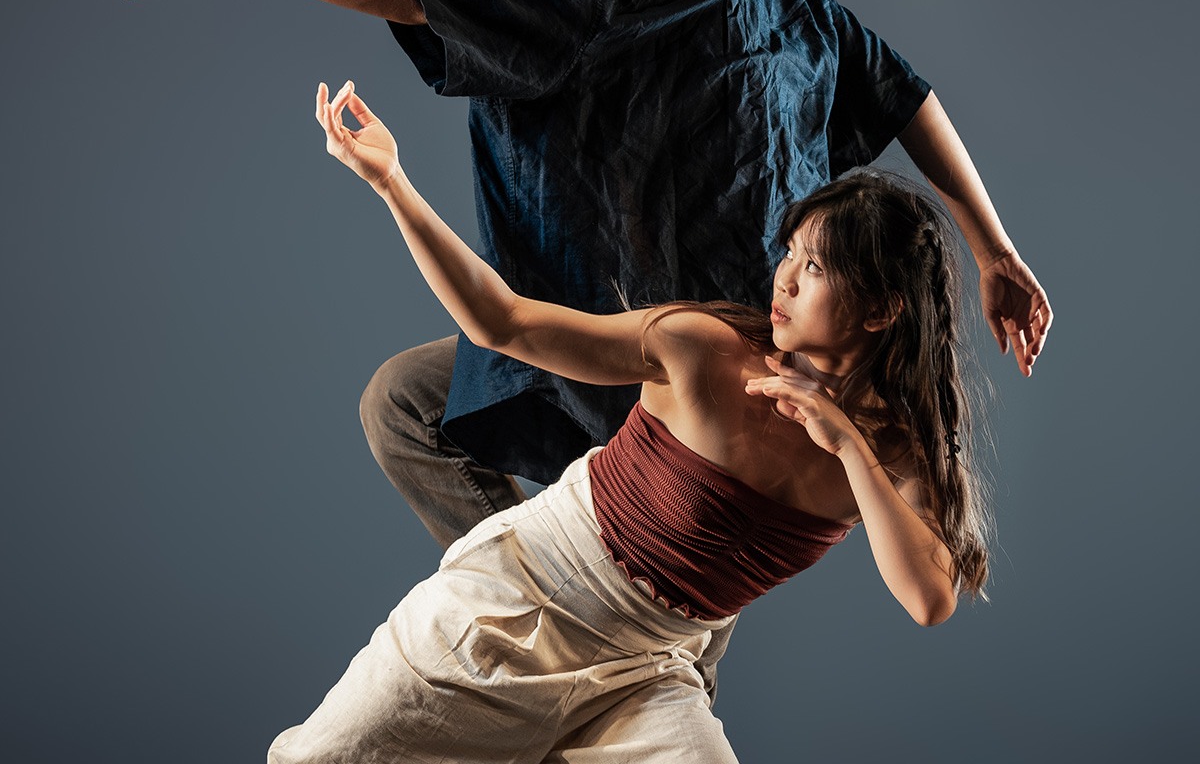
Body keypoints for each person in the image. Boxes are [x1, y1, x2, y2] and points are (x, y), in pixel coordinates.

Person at [83, 0, 1050, 567]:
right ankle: (569, 616)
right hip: (718, 361)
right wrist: (994, 250)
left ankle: (567, 619)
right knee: (417, 407)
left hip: (662, 364)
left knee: (457, 440)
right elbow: (907, 94)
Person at [267, 79, 992, 763]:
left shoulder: (896, 450)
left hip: (648, 668)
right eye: (791, 253)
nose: (785, 279)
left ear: (882, 309)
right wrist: (391, 181)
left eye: (818, 268)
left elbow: (929, 600)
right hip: (524, 600)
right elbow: (503, 321)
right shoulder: (703, 348)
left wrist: (847, 444)